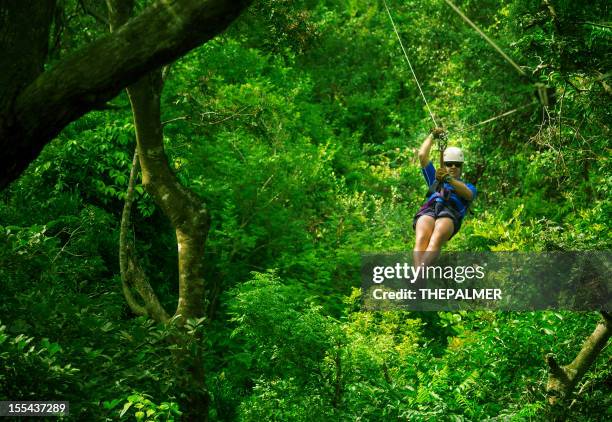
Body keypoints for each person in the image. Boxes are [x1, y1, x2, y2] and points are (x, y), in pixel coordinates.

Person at [413, 128, 477, 267]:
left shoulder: (468, 186)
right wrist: (432, 136)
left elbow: (468, 195)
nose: (453, 167)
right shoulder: (436, 178)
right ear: (445, 165)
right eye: (449, 164)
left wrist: (448, 179)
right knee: (421, 238)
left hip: (449, 213)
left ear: (461, 167)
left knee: (436, 238)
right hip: (430, 209)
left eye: (457, 164)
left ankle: (419, 274)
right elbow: (422, 156)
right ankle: (418, 277)